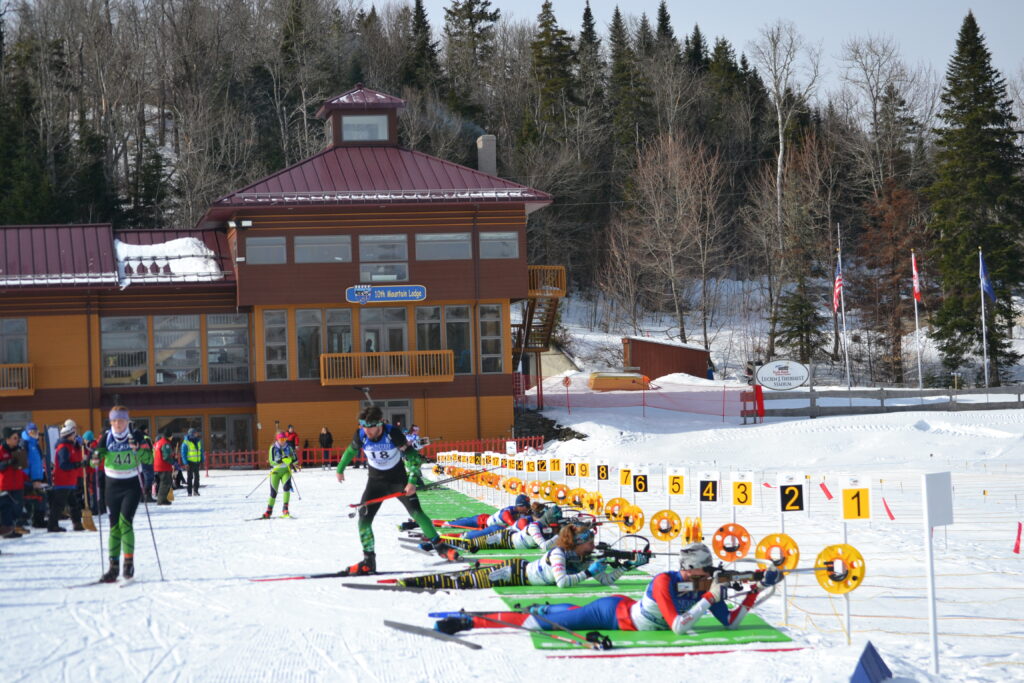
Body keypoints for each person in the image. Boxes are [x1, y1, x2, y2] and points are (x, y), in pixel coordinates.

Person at [434, 542, 782, 636]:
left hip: (629, 611)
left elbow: (732, 623)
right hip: (613, 613)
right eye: (707, 571)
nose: (711, 576)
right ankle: (470, 621)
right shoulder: (664, 582)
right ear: (691, 570)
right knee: (547, 623)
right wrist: (709, 597)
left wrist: (755, 591)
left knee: (560, 613)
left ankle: (543, 607)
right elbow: (679, 626)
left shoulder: (706, 585)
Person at [336, 405, 459, 574]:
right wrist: (340, 469)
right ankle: (368, 561)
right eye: (363, 426)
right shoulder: (361, 435)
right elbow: (350, 451)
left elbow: (414, 458)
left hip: (398, 481)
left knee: (417, 513)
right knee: (363, 519)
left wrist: (412, 481)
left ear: (379, 424)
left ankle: (440, 547)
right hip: (375, 482)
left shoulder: (392, 433)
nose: (367, 431)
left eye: (370, 427)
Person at [399, 522, 631, 590]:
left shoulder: (583, 559)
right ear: (580, 543)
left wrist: (626, 568)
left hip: (520, 572)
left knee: (469, 576)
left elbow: (607, 580)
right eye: (590, 543)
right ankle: (415, 579)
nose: (593, 547)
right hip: (514, 572)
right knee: (466, 581)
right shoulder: (559, 553)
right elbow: (562, 583)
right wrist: (588, 572)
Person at [91, 405, 153, 582]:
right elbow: (94, 460)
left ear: (127, 421)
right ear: (111, 422)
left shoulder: (137, 436)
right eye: (114, 420)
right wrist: (94, 459)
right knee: (114, 527)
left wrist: (138, 450)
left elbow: (150, 458)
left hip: (131, 485)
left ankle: (128, 563)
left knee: (125, 523)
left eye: (121, 420)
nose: (118, 424)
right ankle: (113, 567)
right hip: (112, 486)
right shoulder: (106, 437)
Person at [443, 503, 562, 552]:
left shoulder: (528, 519)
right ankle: (439, 538)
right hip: (493, 529)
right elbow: (522, 530)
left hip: (498, 531)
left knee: (467, 539)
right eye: (526, 506)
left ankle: (441, 538)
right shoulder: (524, 521)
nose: (527, 509)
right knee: (465, 538)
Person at [434, 493, 532, 542]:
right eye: (527, 506)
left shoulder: (520, 512)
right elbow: (513, 525)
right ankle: (429, 524)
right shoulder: (508, 513)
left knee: (465, 532)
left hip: (487, 525)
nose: (528, 508)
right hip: (481, 520)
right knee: (450, 525)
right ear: (520, 506)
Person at [50, 421, 86, 532]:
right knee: (59, 505)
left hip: (70, 481)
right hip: (63, 481)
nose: (75, 436)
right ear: (69, 435)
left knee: (74, 504)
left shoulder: (70, 446)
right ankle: (52, 525)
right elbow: (63, 464)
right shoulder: (63, 447)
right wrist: (77, 465)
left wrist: (79, 449)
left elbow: (75, 457)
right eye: (74, 434)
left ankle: (77, 523)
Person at [0, 427, 27, 538]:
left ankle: (14, 528)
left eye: (18, 438)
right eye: (14, 438)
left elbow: (23, 466)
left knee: (17, 508)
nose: (17, 440)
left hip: (18, 484)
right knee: (7, 509)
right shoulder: (1, 450)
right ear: (7, 439)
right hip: (6, 485)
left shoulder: (19, 449)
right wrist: (8, 462)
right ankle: (7, 531)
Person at [21, 422, 48, 529]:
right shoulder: (25, 444)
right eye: (32, 431)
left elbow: (39, 461)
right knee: (30, 499)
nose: (34, 433)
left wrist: (42, 476)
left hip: (37, 477)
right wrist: (30, 479)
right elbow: (24, 464)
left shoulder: (35, 444)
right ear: (27, 432)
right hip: (28, 478)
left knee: (41, 498)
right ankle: (25, 519)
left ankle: (38, 520)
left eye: (36, 431)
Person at [262, 432, 295, 519]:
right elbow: (271, 461)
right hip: (276, 471)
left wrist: (292, 463)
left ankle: (285, 509)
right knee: (273, 493)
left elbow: (295, 459)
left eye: (284, 439)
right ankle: (269, 511)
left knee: (286, 488)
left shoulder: (289, 447)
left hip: (286, 471)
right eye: (281, 439)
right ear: (277, 439)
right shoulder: (273, 448)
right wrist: (281, 460)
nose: (283, 441)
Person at [153, 429, 176, 505]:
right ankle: (161, 500)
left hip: (157, 466)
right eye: (171, 435)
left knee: (163, 483)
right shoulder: (165, 444)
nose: (172, 437)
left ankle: (164, 499)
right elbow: (166, 457)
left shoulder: (158, 443)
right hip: (163, 466)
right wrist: (173, 462)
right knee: (165, 483)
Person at [181, 427, 203, 496]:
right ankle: (189, 492)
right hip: (189, 463)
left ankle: (196, 491)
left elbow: (201, 451)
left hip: (196, 462)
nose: (197, 434)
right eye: (195, 433)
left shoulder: (198, 441)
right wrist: (185, 463)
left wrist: (202, 460)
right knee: (190, 478)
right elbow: (183, 454)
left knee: (197, 477)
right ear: (192, 434)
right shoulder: (186, 443)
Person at [136, 425, 155, 503]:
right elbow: (148, 450)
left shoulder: (140, 439)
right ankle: (147, 496)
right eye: (147, 429)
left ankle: (143, 496)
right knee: (148, 478)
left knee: (144, 479)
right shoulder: (144, 438)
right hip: (146, 460)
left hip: (143, 461)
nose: (148, 431)